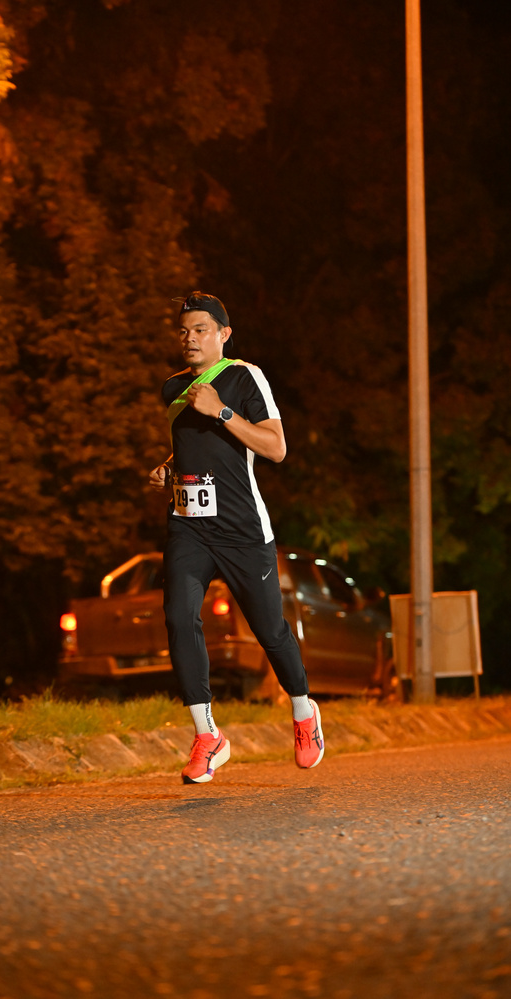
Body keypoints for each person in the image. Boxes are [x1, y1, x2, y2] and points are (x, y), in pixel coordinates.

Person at [149, 291, 325, 784]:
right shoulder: (172, 389)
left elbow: (276, 448)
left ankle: (303, 711)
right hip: (188, 525)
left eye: (200, 329)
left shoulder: (245, 377)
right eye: (184, 331)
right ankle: (208, 735)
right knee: (179, 617)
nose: (190, 338)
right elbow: (196, 450)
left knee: (270, 630)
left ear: (224, 334)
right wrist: (169, 469)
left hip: (242, 530)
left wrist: (222, 411)